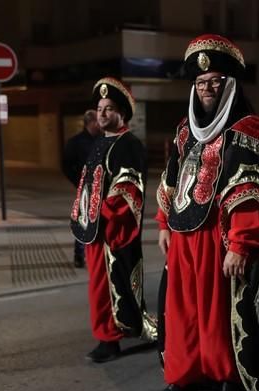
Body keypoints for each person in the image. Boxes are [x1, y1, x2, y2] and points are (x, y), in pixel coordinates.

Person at [144, 34, 259, 391]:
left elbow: (250, 188)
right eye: (201, 83)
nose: (207, 89)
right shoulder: (182, 130)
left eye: (215, 82)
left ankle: (233, 381)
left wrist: (241, 244)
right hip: (182, 235)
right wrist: (163, 223)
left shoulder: (248, 128)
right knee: (182, 313)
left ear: (230, 85)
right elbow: (171, 178)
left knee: (220, 314)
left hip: (217, 238)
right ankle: (186, 376)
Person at [69, 77, 156, 363]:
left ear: (122, 114)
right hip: (95, 229)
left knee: (110, 287)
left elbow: (128, 190)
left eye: (108, 109)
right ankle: (111, 334)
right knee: (100, 287)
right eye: (99, 108)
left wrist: (105, 217)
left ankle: (109, 340)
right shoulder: (100, 142)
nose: (102, 114)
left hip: (112, 232)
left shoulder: (128, 144)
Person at [62, 109, 101, 268]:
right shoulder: (76, 142)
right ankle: (79, 255)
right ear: (91, 123)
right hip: (85, 188)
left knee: (98, 221)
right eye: (97, 121)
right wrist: (78, 181)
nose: (100, 124)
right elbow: (66, 165)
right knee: (83, 220)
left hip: (101, 187)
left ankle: (96, 254)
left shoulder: (102, 140)